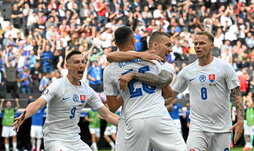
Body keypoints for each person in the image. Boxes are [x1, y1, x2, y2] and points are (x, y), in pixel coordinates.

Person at [12, 51, 118, 151]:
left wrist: (127, 124)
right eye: (76, 62)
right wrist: (24, 116)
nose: (81, 65)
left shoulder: (88, 90)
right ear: (67, 66)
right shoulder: (57, 85)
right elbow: (37, 104)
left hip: (75, 140)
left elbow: (107, 115)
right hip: (55, 139)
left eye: (83, 62)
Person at [104, 26, 186, 151]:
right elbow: (168, 93)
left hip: (134, 120)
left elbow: (113, 107)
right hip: (158, 115)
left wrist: (126, 91)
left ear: (115, 43)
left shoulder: (109, 70)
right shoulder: (152, 61)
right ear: (133, 40)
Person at [169, 31, 244, 150]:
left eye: (202, 43)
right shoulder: (187, 71)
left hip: (222, 129)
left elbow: (237, 95)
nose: (198, 46)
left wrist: (240, 120)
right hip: (198, 128)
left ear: (211, 45)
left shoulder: (224, 67)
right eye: (196, 43)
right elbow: (170, 94)